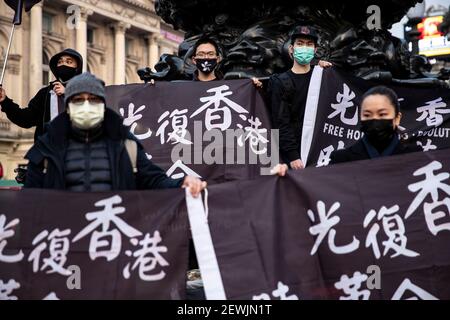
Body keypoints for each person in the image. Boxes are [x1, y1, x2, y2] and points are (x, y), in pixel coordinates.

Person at [24, 72, 206, 197]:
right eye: (78, 100)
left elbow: (153, 179)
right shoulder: (46, 145)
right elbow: (30, 197)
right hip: (63, 240)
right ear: (69, 105)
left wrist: (181, 182)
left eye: (93, 100)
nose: (86, 105)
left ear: (103, 104)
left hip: (113, 238)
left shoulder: (126, 143)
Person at [269, 26, 332, 170]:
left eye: (309, 44)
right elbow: (280, 122)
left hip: (320, 151)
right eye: (300, 43)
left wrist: (327, 72)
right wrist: (293, 156)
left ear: (315, 50)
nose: (305, 47)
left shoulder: (323, 76)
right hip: (294, 156)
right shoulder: (280, 82)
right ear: (291, 48)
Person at [0, 49, 83, 141]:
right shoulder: (45, 93)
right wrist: (5, 101)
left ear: (77, 67)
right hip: (48, 151)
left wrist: (68, 93)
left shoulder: (86, 91)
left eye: (69, 62)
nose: (63, 64)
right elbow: (26, 119)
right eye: (60, 62)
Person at [330, 86, 421, 164]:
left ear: (397, 118)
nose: (375, 120)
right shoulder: (340, 159)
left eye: (382, 114)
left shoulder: (415, 157)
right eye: (367, 115)